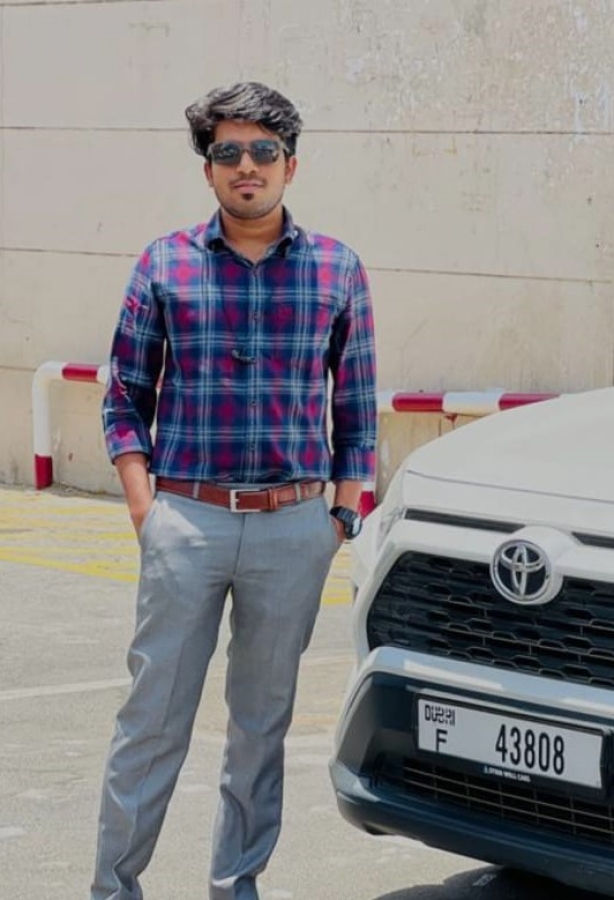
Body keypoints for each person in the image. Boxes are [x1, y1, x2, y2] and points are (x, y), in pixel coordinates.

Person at [92, 81, 377, 900]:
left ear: (291, 164)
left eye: (262, 151)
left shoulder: (337, 269)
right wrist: (146, 509)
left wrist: (341, 514)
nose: (246, 165)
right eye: (228, 152)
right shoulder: (165, 262)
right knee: (151, 721)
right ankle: (113, 889)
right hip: (186, 519)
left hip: (294, 527)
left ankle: (236, 885)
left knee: (260, 727)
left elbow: (357, 406)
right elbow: (124, 398)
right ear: (208, 169)